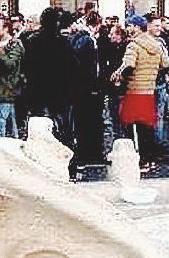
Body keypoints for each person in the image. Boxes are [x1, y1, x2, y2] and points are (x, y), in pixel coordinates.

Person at [111, 14, 169, 165]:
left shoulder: (133, 45)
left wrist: (120, 77)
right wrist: (152, 75)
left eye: (130, 25)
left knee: (129, 126)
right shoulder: (157, 45)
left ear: (137, 27)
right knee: (147, 127)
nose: (128, 28)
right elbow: (166, 64)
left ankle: (136, 159)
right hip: (149, 90)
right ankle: (149, 158)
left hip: (134, 90)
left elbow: (129, 65)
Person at [22, 7, 74, 142]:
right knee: (62, 125)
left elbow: (26, 65)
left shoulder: (32, 40)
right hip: (59, 90)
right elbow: (72, 65)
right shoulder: (62, 41)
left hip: (38, 89)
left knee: (39, 124)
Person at [69, 11, 105, 166]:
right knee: (91, 121)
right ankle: (91, 153)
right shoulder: (88, 40)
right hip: (89, 87)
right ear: (96, 25)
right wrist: (94, 84)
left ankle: (84, 152)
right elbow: (92, 67)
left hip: (79, 87)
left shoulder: (76, 39)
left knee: (81, 121)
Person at [0, 14, 23, 138]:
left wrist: (0, 51)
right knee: (4, 122)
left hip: (7, 89)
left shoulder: (15, 44)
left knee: (1, 123)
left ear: (6, 29)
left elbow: (10, 65)